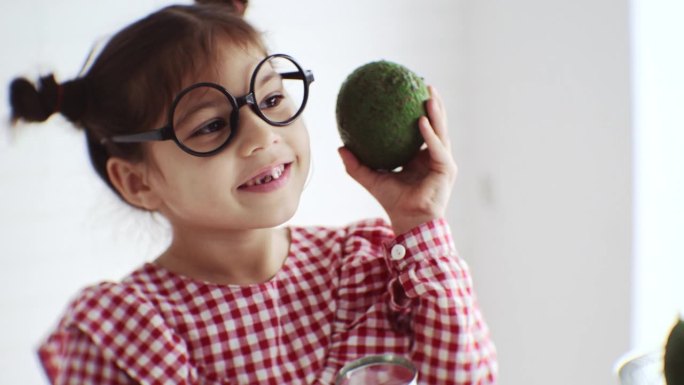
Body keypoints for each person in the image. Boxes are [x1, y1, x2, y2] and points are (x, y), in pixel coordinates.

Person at [9, 4, 497, 384]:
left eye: (270, 99)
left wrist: (419, 222)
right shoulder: (124, 337)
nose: (263, 135)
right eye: (213, 124)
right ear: (138, 181)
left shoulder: (372, 265)